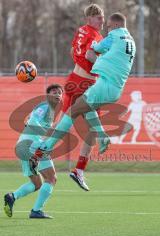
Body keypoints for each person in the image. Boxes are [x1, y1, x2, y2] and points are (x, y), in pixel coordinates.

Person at [31, 12, 136, 184]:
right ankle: (78, 161)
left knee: (72, 114)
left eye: (109, 26)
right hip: (113, 88)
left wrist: (94, 48)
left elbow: (91, 49)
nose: (107, 28)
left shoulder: (108, 35)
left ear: (115, 26)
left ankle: (44, 150)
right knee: (86, 115)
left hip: (99, 84)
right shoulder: (131, 41)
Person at [62, 3, 105, 191]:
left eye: (103, 17)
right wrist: (104, 66)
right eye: (98, 17)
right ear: (90, 19)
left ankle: (36, 153)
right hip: (85, 84)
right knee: (94, 130)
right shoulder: (95, 35)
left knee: (62, 125)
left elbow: (73, 52)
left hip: (73, 79)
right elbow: (89, 54)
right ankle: (79, 170)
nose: (102, 20)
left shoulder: (81, 30)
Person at [4, 84, 63, 219]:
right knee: (51, 178)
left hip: (22, 146)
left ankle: (12, 196)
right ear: (48, 95)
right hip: (34, 145)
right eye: (54, 92)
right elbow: (34, 120)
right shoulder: (45, 106)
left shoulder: (49, 110)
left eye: (60, 92)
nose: (57, 94)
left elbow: (30, 119)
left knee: (37, 183)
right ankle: (36, 211)